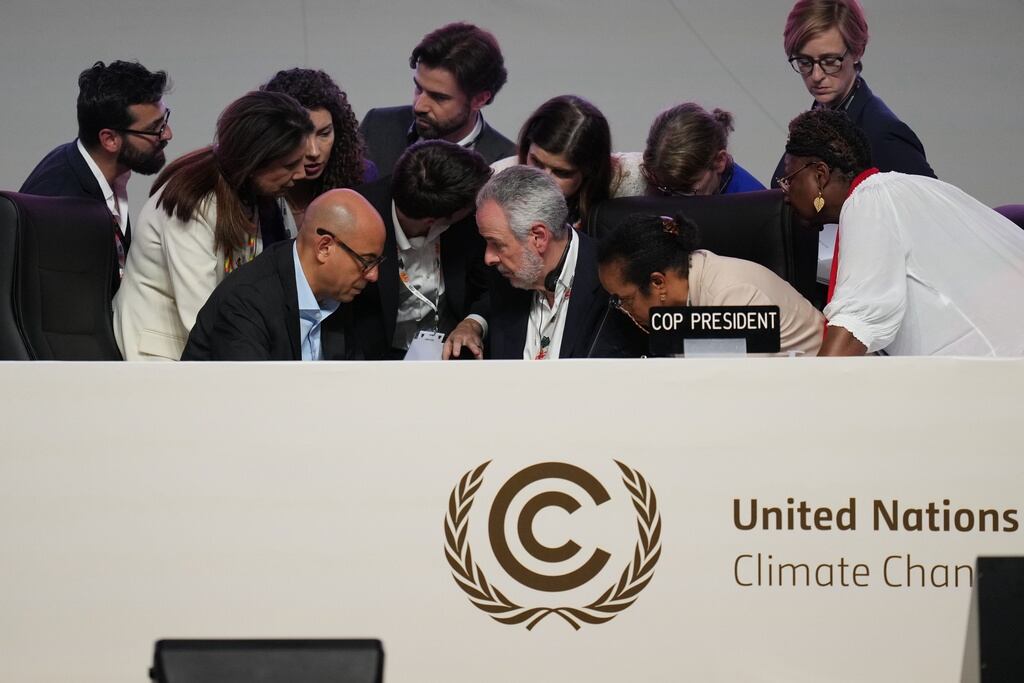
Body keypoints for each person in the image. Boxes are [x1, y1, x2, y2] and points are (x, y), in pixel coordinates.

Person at [779, 109, 1024, 356]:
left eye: (788, 179)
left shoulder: (869, 202)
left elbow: (854, 327)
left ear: (820, 175)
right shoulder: (899, 189)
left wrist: (808, 390)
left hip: (1000, 373)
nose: (785, 194)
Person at [113, 91, 313, 361]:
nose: (300, 174)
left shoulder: (261, 198)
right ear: (254, 162)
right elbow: (199, 312)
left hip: (218, 347)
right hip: (162, 355)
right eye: (290, 165)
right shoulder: (193, 204)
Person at [444, 166, 638, 360]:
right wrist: (472, 323)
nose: (489, 258)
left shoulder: (615, 282)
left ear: (539, 237)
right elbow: (488, 303)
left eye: (497, 244)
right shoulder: (508, 272)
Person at [182, 189, 386, 361]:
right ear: (324, 248)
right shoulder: (247, 301)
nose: (373, 276)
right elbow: (250, 399)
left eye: (377, 263)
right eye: (366, 262)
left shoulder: (345, 295)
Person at [20, 60, 171, 289]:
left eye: (165, 120)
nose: (168, 134)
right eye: (155, 128)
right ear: (110, 139)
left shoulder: (96, 169)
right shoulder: (65, 209)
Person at [597, 213, 824, 356]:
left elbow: (733, 393)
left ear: (658, 282)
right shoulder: (678, 306)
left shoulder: (733, 296)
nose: (624, 311)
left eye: (625, 300)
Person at [352, 140, 493, 358]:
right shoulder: (356, 217)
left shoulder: (469, 220)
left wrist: (473, 323)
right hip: (373, 359)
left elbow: (491, 287)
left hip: (451, 357)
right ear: (434, 221)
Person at [770, 0, 934, 186]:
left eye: (830, 61)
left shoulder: (883, 134)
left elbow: (931, 209)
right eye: (805, 62)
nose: (816, 76)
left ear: (858, 51)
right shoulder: (816, 119)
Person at [358, 22, 515, 175]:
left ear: (480, 99)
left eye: (439, 97)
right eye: (419, 88)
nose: (419, 106)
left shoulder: (509, 164)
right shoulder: (377, 126)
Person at [491, 95, 646, 228]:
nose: (543, 179)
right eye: (536, 162)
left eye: (561, 172)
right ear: (527, 146)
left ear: (590, 170)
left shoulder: (629, 182)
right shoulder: (497, 179)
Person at [261, 68, 378, 238]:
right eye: (301, 137)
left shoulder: (362, 176)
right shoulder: (258, 188)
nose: (314, 152)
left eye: (324, 134)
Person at [642, 103, 764, 196]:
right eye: (665, 188)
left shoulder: (756, 205)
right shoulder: (656, 172)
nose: (675, 198)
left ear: (720, 160)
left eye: (687, 189)